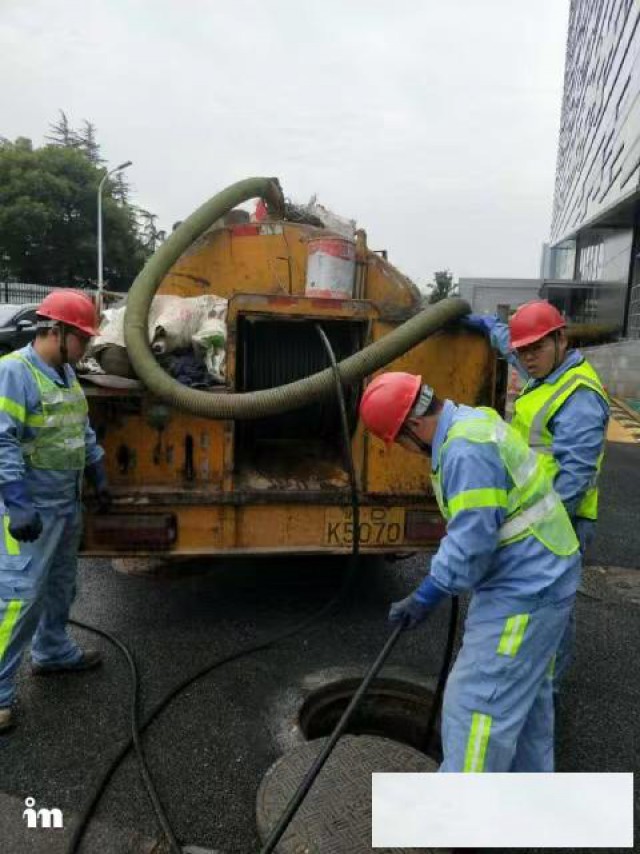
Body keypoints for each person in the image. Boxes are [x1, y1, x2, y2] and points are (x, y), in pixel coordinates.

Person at [359, 372, 581, 771]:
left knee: (478, 705)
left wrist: (428, 593)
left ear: (412, 426)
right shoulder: (471, 422)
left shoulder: (464, 450)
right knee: (526, 702)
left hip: (527, 588)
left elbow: (472, 540)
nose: (410, 451)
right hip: (543, 572)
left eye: (402, 443)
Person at [463, 301, 609, 686]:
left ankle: (547, 691)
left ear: (562, 339)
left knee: (551, 607)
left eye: (536, 348)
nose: (527, 358)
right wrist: (488, 325)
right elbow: (508, 346)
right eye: (522, 350)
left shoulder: (578, 396)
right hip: (538, 511)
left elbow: (576, 476)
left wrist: (541, 531)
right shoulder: (545, 371)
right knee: (533, 601)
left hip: (563, 518)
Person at [0, 290, 111, 733]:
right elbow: (2, 439)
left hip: (66, 503)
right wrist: (16, 501)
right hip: (30, 509)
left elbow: (78, 429)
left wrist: (98, 468)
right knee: (19, 598)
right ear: (56, 332)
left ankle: (52, 651)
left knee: (62, 585)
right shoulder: (14, 372)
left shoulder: (65, 374)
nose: (86, 348)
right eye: (83, 338)